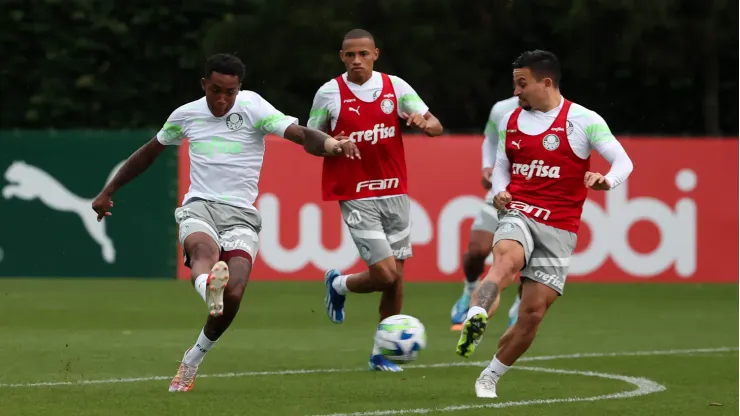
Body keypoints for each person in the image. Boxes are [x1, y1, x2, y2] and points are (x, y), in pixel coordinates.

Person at [91, 53, 358, 392]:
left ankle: (193, 358)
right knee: (203, 249)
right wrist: (108, 191)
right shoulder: (186, 115)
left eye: (229, 92)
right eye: (215, 90)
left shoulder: (253, 107)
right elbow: (149, 152)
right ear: (204, 84)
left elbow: (300, 133)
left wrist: (333, 144)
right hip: (199, 206)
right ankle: (208, 286)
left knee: (234, 292)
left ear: (238, 89)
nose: (222, 99)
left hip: (241, 215)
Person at [454, 50, 634, 398]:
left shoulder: (584, 120)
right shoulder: (511, 120)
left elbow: (623, 161)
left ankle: (489, 376)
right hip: (520, 211)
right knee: (506, 261)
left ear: (545, 83)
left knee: (533, 313)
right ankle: (476, 315)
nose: (516, 92)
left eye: (522, 84)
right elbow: (502, 166)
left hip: (561, 226)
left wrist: (607, 181)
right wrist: (500, 192)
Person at [307, 29, 443, 372]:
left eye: (363, 54)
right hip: (356, 194)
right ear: (342, 57)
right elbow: (310, 140)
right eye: (350, 55)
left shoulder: (395, 87)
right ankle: (339, 283)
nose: (357, 60)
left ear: (375, 54)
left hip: (394, 191)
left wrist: (424, 124)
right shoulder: (330, 92)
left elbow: (436, 125)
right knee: (383, 274)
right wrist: (333, 143)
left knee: (395, 278)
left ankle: (381, 353)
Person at [450, 96, 522, 331]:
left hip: (533, 201)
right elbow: (490, 141)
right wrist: (487, 167)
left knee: (532, 265)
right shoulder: (502, 109)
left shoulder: (562, 116)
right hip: (499, 195)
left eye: (523, 83)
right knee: (477, 250)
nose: (518, 91)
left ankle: (519, 308)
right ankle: (469, 289)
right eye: (516, 84)